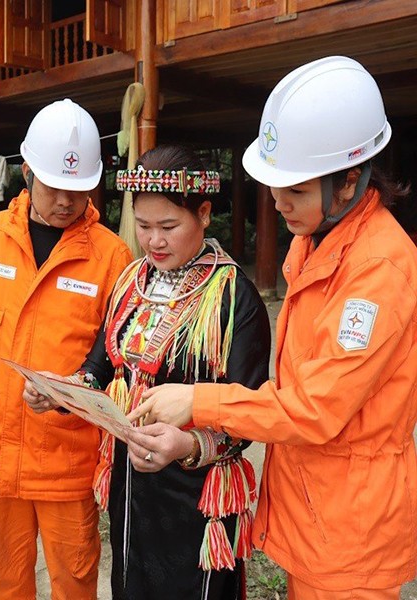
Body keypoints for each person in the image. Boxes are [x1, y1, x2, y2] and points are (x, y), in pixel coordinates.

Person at [134, 56, 417, 599]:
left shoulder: (376, 273)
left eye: (297, 190)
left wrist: (201, 402)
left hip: (350, 530)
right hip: (316, 510)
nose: (279, 202)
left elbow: (314, 406)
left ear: (349, 181)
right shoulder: (319, 242)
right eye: (274, 185)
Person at [24, 145, 271, 599]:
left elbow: (250, 410)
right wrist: (64, 392)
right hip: (131, 484)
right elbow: (100, 366)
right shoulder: (130, 282)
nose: (154, 241)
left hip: (195, 492)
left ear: (203, 214)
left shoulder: (235, 297)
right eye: (143, 226)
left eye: (168, 227)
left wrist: (189, 444)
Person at [0, 98, 133, 599]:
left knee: (74, 583)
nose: (66, 201)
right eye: (54, 186)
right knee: (7, 582)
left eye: (78, 188)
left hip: (68, 460)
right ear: (26, 173)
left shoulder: (112, 256)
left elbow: (121, 359)